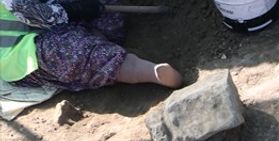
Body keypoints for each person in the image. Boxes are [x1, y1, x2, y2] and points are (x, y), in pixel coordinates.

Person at [1, 0, 181, 92]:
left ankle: (100, 45)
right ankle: (149, 72)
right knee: (69, 51)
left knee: (105, 10)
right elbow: (45, 16)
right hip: (25, 54)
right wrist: (76, 8)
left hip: (60, 23)